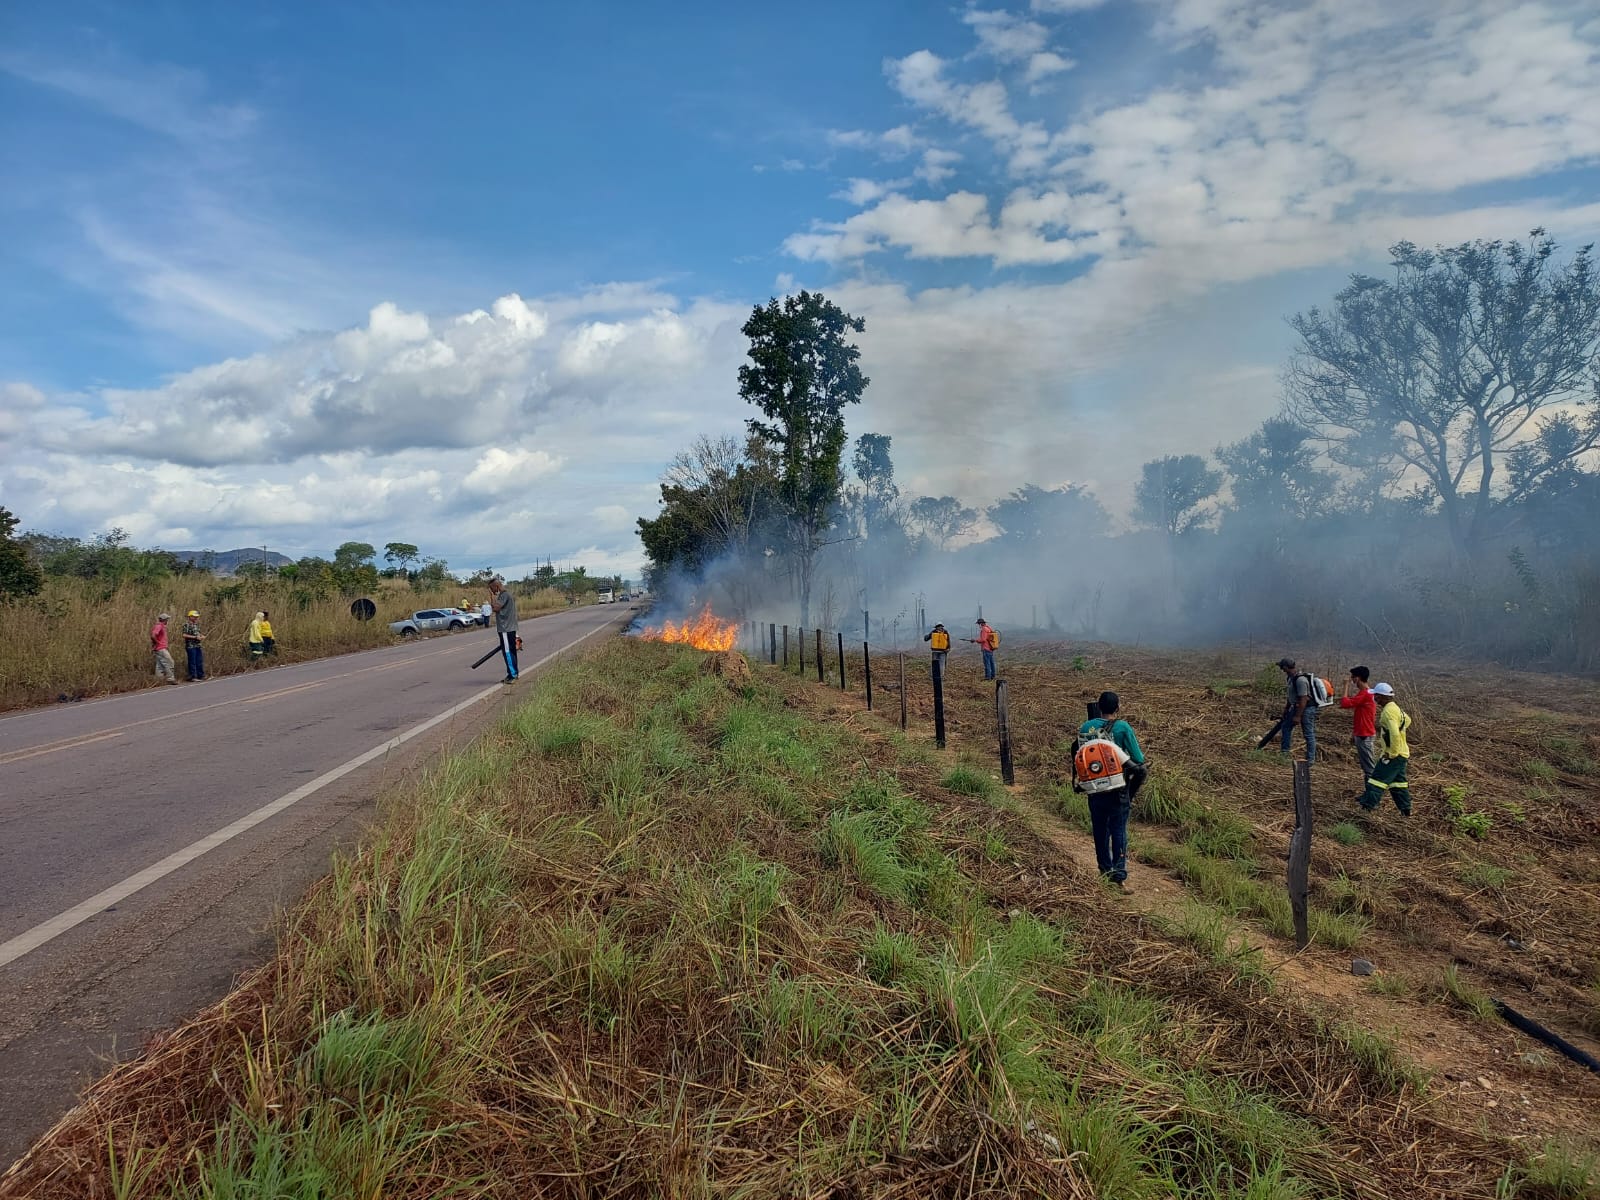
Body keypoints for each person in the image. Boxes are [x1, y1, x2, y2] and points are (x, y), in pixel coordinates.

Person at [1075, 690, 1148, 889]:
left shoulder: (1086, 726)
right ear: (1117, 708)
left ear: (1098, 707)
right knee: (1118, 830)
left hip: (1093, 788)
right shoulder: (1123, 727)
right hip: (1118, 788)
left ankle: (1104, 870)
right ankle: (1119, 874)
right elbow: (1139, 760)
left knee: (1100, 830)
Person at [1361, 683, 1412, 816]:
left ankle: (1366, 808)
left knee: (1376, 780)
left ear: (1383, 697)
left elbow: (1394, 733)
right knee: (1398, 784)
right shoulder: (1395, 708)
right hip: (1402, 753)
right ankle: (1405, 811)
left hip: (1394, 755)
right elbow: (1407, 720)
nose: (1375, 698)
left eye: (1376, 695)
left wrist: (1391, 754)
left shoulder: (1389, 711)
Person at [1339, 666, 1377, 788]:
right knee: (1367, 767)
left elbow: (1344, 703)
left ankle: (1371, 797)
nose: (1351, 680)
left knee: (1369, 769)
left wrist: (1345, 686)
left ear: (1358, 678)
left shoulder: (1365, 694)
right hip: (1362, 733)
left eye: (1353, 677)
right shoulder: (1366, 693)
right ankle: (1369, 794)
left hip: (1365, 735)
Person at [1276, 657, 1317, 763]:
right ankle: (1284, 754)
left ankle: (1310, 760)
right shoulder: (1290, 678)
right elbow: (1292, 696)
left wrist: (1298, 716)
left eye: (1282, 667)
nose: (1281, 669)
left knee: (1308, 733)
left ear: (1285, 667)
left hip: (1307, 709)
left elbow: (1303, 699)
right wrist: (1286, 708)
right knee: (1286, 727)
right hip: (1297, 707)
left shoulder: (1301, 680)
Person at [488, 575, 519, 683]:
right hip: (510, 628)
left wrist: (492, 597)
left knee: (507, 652)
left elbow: (496, 608)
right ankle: (513, 673)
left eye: (492, 589)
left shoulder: (503, 595)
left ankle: (512, 675)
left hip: (505, 628)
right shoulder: (507, 594)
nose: (492, 591)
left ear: (496, 586)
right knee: (511, 651)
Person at [150, 613, 176, 684]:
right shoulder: (159, 626)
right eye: (167, 619)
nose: (168, 621)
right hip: (161, 648)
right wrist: (158, 643)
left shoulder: (162, 626)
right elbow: (153, 636)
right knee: (170, 662)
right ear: (164, 620)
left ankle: (159, 680)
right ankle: (170, 678)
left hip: (159, 648)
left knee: (160, 665)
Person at [181, 609, 207, 681]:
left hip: (198, 645)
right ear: (190, 617)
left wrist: (202, 636)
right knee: (192, 662)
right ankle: (193, 677)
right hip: (190, 646)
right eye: (194, 616)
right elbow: (184, 635)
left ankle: (201, 676)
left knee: (199, 661)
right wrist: (195, 637)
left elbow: (198, 633)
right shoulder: (186, 625)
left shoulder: (196, 625)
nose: (196, 618)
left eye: (197, 617)